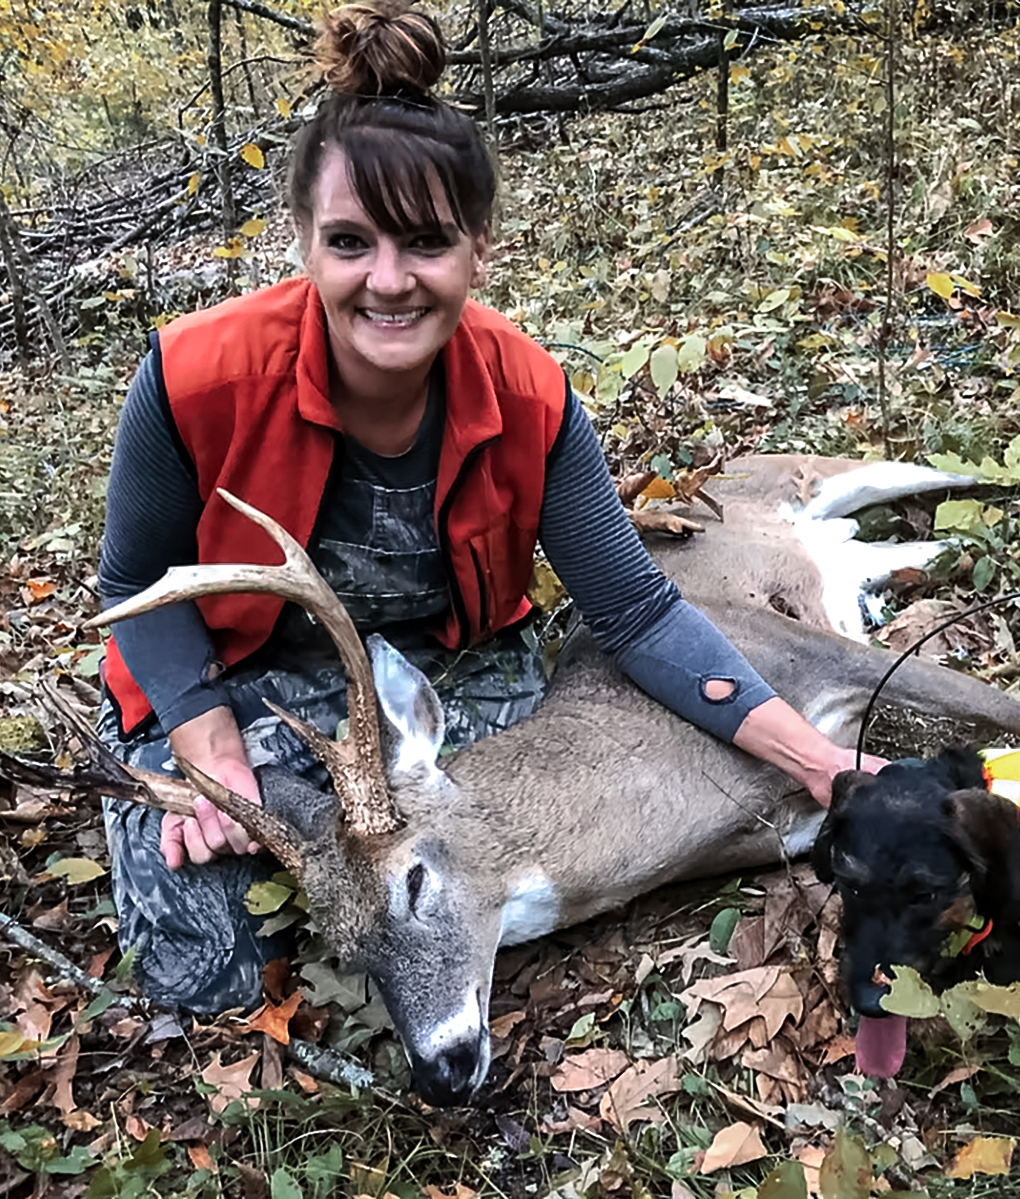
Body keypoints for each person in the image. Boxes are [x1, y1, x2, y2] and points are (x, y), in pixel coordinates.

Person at [94, 0, 881, 1014]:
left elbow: (635, 612)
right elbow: (135, 584)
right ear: (303, 244)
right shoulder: (195, 377)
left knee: (483, 843)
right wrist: (204, 742)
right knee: (208, 972)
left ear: (480, 249)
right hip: (235, 676)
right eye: (350, 241)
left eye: (426, 242)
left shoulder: (530, 397)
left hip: (451, 683)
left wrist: (818, 761)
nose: (388, 280)